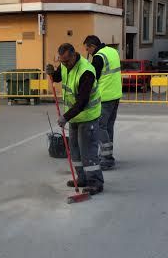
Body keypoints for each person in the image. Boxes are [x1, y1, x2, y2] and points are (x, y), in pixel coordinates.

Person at [45, 43, 104, 195]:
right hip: (74, 117)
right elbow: (58, 76)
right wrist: (51, 72)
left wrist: (65, 117)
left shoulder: (86, 72)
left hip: (88, 116)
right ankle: (82, 178)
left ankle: (95, 182)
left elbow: (82, 101)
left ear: (73, 55)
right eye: (61, 61)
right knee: (75, 150)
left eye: (66, 61)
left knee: (88, 151)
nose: (64, 64)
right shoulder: (65, 65)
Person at [83, 35, 122, 170]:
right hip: (116, 95)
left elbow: (93, 77)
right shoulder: (112, 51)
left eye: (87, 49)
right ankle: (108, 155)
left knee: (100, 127)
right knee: (108, 127)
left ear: (92, 46)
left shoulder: (99, 57)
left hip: (105, 97)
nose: (87, 52)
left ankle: (106, 159)